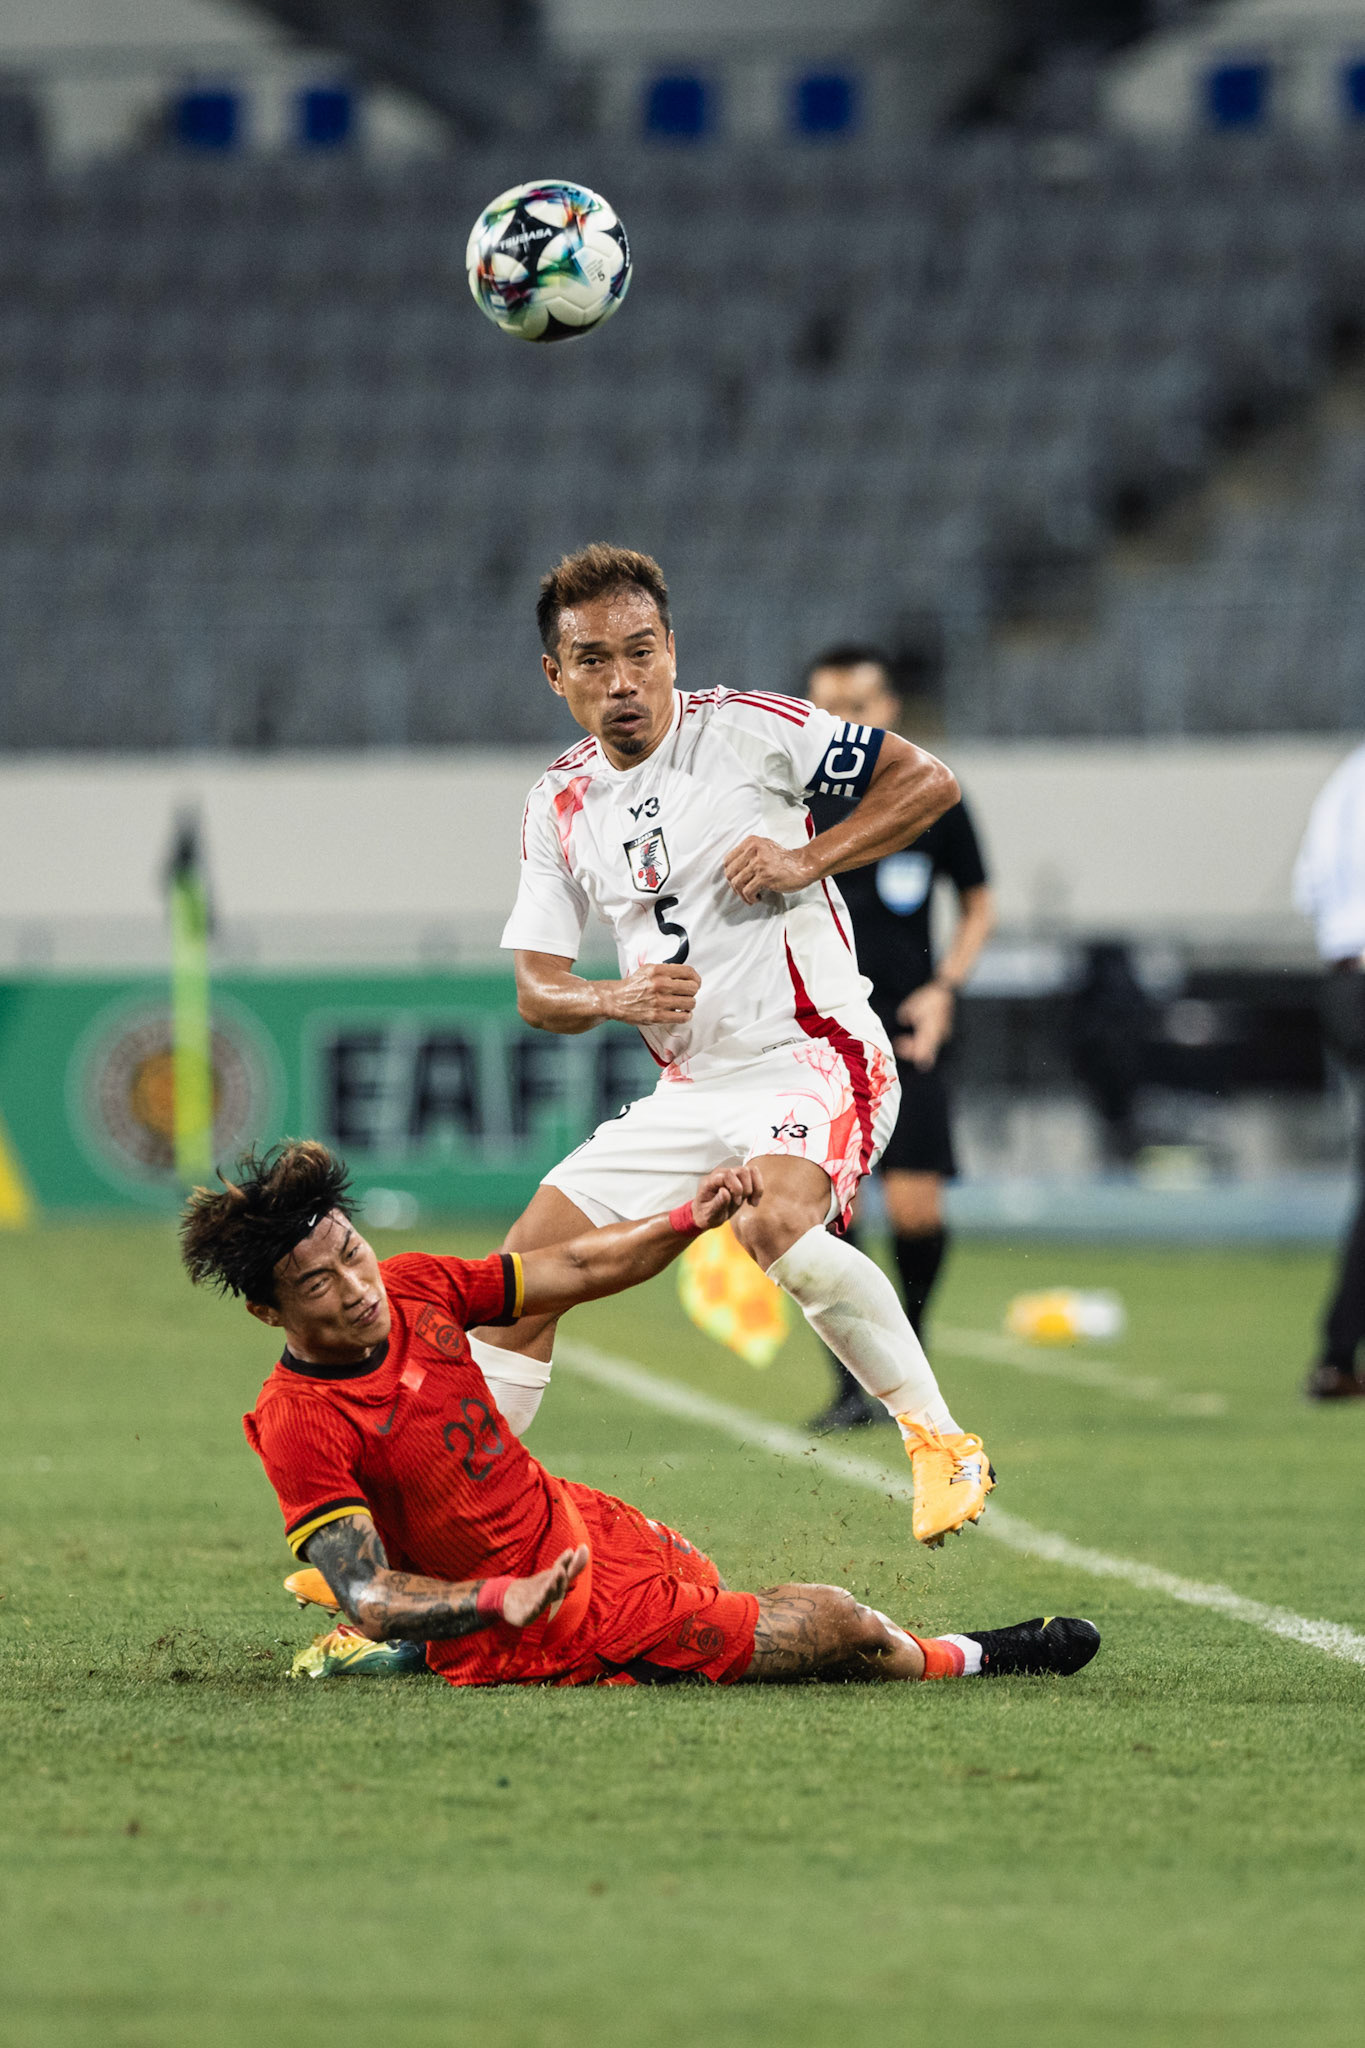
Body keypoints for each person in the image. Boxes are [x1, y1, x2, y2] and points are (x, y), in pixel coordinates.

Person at [472, 544, 995, 1548]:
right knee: (514, 1287)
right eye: (592, 661)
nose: (621, 682)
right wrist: (614, 995)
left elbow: (928, 781)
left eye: (640, 652)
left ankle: (940, 1441)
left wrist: (808, 854)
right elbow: (538, 989)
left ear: (672, 647)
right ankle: (456, 1534)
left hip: (814, 1056)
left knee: (775, 1225)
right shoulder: (560, 802)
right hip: (689, 1089)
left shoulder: (754, 730)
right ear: (555, 673)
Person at [180, 1139, 1100, 1689]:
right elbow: (374, 1596)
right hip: (543, 1622)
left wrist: (683, 1221)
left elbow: (573, 1268)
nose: (356, 1288)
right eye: (319, 1283)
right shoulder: (300, 1421)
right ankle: (975, 1656)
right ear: (270, 1311)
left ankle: (424, 1650)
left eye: (351, 1252)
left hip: (580, 1526)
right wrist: (504, 1601)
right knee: (829, 1624)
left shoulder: (413, 1283)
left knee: (707, 1578)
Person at [802, 647, 995, 1431]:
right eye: (828, 705)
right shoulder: (788, 800)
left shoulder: (931, 794)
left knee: (915, 1210)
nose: (844, 719)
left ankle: (907, 1353)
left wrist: (945, 986)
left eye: (859, 702)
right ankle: (854, 1385)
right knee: (824, 1220)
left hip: (909, 1032)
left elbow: (978, 901)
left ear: (888, 708)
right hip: (815, 1037)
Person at [1294, 743, 1365, 1399]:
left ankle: (1338, 1354)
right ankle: (1337, 1351)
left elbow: (1307, 886)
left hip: (1344, 981)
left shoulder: (1344, 775)